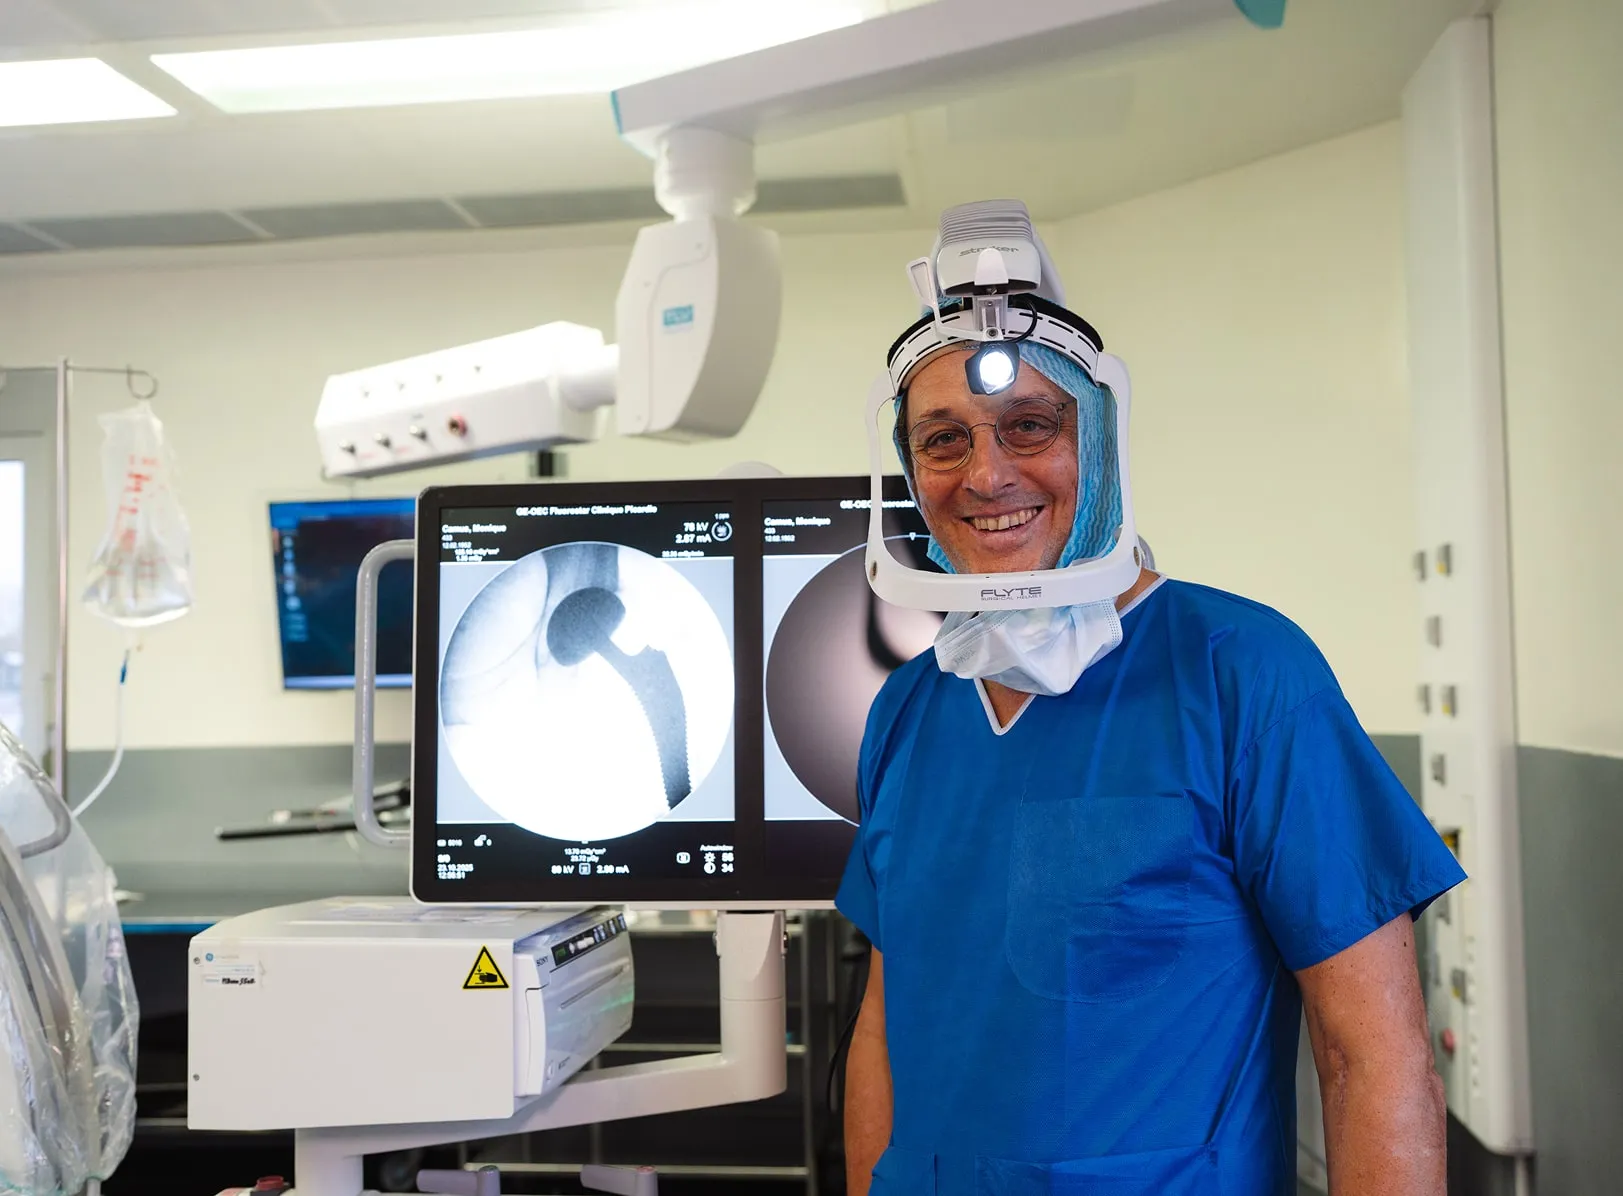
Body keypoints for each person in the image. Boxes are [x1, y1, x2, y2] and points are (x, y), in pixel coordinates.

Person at [838, 231, 1465, 1195]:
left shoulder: (1244, 674)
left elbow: (1369, 1055)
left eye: (1030, 426)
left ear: (1100, 438)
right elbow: (886, 1019)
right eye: (943, 438)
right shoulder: (908, 710)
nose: (985, 473)